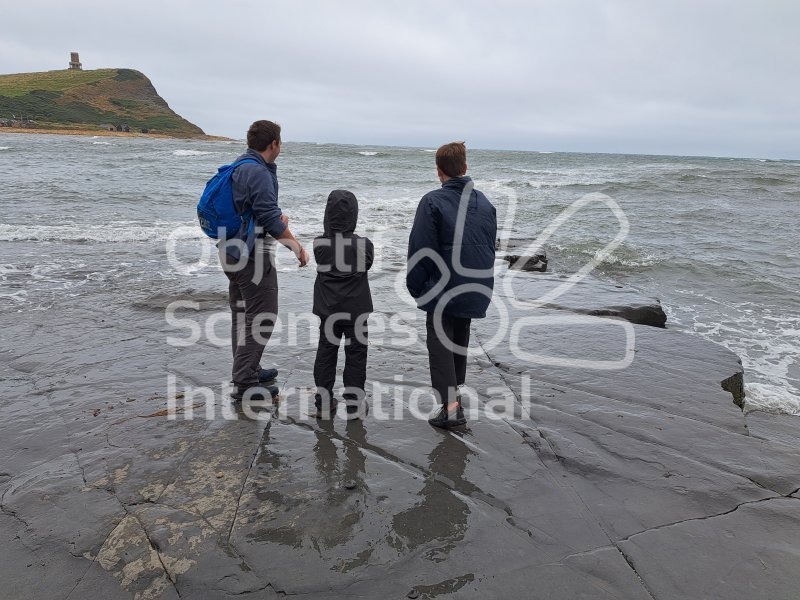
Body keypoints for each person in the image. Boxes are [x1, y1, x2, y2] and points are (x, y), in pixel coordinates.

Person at [406, 142, 497, 428]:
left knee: (441, 339)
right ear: (465, 168)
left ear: (439, 171)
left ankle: (451, 407)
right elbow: (490, 246)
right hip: (477, 284)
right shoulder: (485, 203)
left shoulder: (432, 201)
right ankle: (454, 391)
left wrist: (416, 287)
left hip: (445, 286)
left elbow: (421, 249)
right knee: (460, 333)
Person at [220, 120, 309, 402]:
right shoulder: (257, 171)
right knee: (262, 317)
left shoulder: (241, 164)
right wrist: (297, 248)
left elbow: (254, 210)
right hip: (251, 256)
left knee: (243, 315)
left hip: (230, 250)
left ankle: (249, 369)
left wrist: (274, 218)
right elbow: (269, 217)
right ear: (274, 144)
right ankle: (245, 382)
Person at [312, 190, 374, 418]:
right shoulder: (364, 245)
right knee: (357, 354)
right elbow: (365, 265)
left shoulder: (319, 244)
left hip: (328, 309)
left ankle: (324, 403)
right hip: (356, 310)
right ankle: (354, 404)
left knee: (326, 353)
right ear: (353, 216)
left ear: (328, 215)